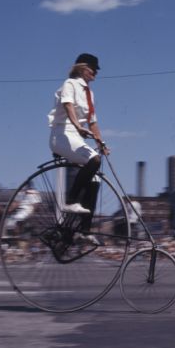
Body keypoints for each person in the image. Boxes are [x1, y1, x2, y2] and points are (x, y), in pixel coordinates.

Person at [48, 53, 109, 240]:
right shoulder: (70, 84)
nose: (96, 73)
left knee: (96, 180)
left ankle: (84, 230)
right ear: (83, 68)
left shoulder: (90, 94)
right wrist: (76, 125)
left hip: (77, 138)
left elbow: (92, 123)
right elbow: (68, 106)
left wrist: (101, 142)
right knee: (94, 160)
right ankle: (71, 200)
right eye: (93, 70)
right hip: (62, 135)